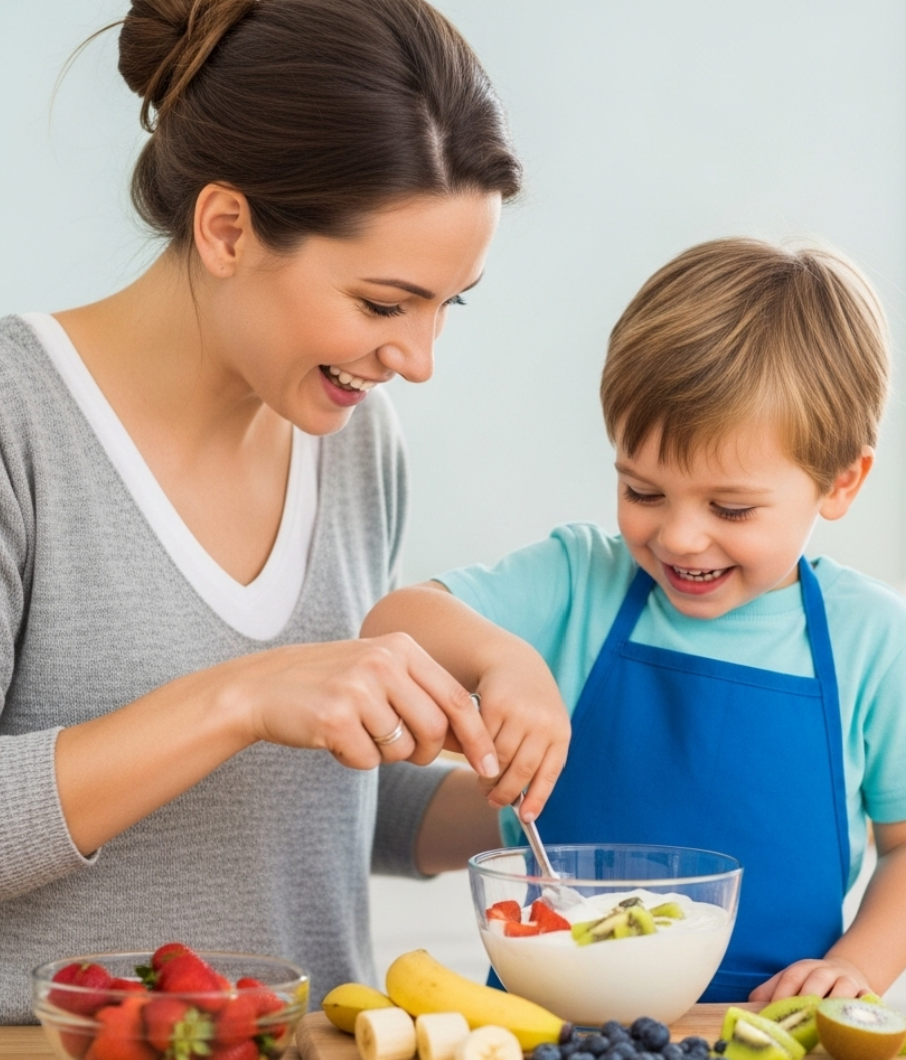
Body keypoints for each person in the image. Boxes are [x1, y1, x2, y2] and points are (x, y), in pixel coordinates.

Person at [0, 0, 571, 1023]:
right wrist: (239, 698)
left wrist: (506, 785)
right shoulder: (18, 421)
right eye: (384, 304)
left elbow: (313, 807)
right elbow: (257, 711)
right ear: (227, 228)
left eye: (451, 304)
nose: (418, 359)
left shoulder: (354, 437)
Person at [362, 237, 906, 1003]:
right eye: (644, 492)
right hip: (553, 1023)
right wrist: (503, 661)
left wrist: (857, 967)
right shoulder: (578, 581)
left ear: (841, 480)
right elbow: (394, 623)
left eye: (730, 507)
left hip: (766, 1027)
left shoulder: (873, 639)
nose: (680, 537)